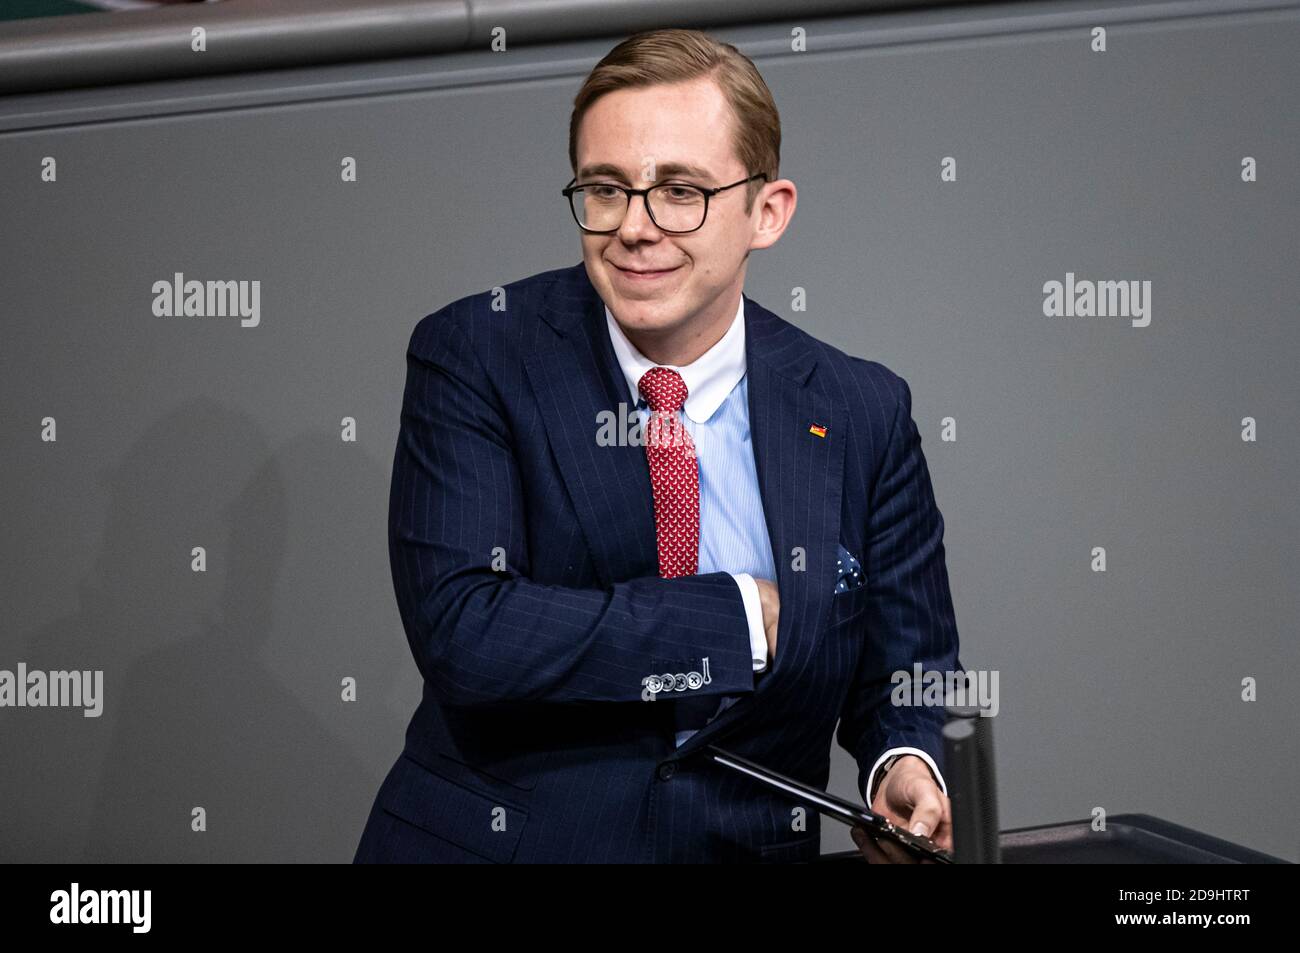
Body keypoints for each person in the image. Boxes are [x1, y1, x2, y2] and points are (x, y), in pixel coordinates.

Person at [354, 27, 960, 864]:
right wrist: (740, 618)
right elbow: (467, 631)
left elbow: (906, 663)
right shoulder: (477, 352)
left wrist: (903, 757)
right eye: (606, 189)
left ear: (767, 211)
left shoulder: (863, 408)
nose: (635, 227)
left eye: (680, 191)